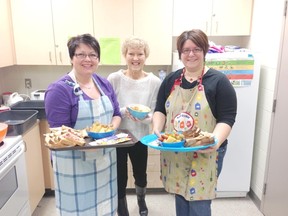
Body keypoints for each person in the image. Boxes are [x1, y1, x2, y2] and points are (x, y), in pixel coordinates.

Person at [152, 29, 237, 216]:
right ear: (180, 53)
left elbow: (227, 118)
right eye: (186, 50)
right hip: (176, 150)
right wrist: (157, 130)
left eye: (197, 49)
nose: (191, 54)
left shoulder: (219, 81)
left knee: (199, 203)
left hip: (205, 152)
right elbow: (159, 109)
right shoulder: (171, 79)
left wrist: (214, 141)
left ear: (205, 51)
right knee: (181, 197)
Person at [45, 33, 121, 216]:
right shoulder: (60, 89)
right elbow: (59, 134)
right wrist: (90, 139)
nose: (88, 59)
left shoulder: (103, 84)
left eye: (93, 55)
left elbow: (117, 114)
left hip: (105, 160)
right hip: (74, 165)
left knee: (105, 209)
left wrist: (109, 129)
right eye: (81, 54)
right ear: (72, 58)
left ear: (98, 59)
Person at [107, 37, 161, 216]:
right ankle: (122, 208)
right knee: (119, 176)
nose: (135, 58)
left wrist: (144, 118)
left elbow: (155, 113)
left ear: (146, 56)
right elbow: (109, 108)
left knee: (140, 174)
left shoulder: (154, 82)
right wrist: (124, 111)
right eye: (131, 53)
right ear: (125, 55)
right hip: (118, 136)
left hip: (141, 136)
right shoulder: (114, 79)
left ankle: (141, 200)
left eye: (140, 54)